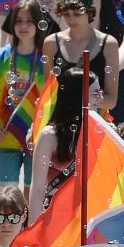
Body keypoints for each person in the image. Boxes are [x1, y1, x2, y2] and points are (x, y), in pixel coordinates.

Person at [0, 0, 48, 194]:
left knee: (32, 198)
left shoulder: (47, 60)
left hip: (37, 140)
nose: (23, 26)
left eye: (29, 21)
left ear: (39, 24)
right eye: (18, 21)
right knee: (6, 199)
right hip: (4, 139)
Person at [28, 67, 105, 213]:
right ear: (78, 96)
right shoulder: (49, 136)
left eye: (100, 92)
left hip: (87, 214)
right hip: (54, 214)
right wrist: (33, 226)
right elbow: (38, 188)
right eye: (95, 93)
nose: (100, 99)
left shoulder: (99, 130)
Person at [44, 0, 120, 111]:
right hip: (61, 117)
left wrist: (85, 99)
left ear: (89, 11)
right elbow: (48, 95)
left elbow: (111, 100)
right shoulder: (51, 43)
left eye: (77, 13)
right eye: (66, 14)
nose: (71, 19)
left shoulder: (108, 44)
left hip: (94, 120)